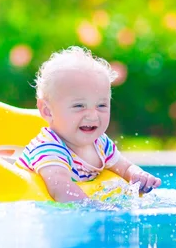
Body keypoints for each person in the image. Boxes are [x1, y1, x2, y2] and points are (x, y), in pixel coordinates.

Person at [14, 46, 161, 202]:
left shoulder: (100, 143)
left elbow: (124, 168)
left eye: (101, 105)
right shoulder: (48, 147)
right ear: (48, 111)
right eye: (79, 106)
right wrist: (94, 210)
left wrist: (138, 175)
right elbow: (61, 189)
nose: (92, 115)